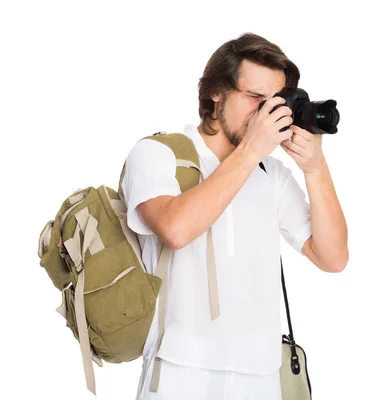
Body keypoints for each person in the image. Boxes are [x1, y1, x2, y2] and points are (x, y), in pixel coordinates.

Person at [121, 32, 349, 400]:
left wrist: (315, 168)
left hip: (261, 378)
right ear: (216, 92)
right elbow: (176, 230)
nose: (264, 113)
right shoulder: (157, 154)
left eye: (273, 102)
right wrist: (251, 150)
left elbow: (333, 257)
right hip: (180, 372)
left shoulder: (270, 175)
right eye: (254, 97)